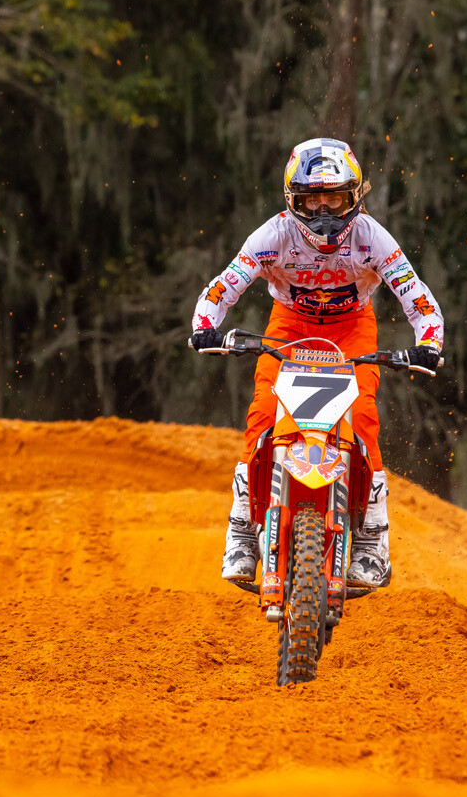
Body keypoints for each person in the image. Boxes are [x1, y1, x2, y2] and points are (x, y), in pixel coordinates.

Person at [188, 137, 443, 590]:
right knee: (262, 417)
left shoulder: (372, 237)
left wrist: (429, 341)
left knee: (363, 419)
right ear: (292, 201)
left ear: (356, 198)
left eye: (336, 199)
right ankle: (243, 533)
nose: (325, 213)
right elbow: (224, 286)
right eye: (312, 200)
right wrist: (205, 325)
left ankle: (371, 542)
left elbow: (415, 293)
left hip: (352, 327)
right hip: (288, 327)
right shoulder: (272, 235)